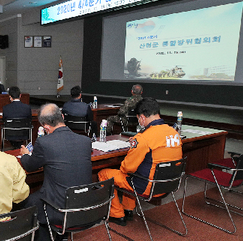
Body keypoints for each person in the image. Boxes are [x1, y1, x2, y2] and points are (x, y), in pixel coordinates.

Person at [98, 97, 183, 226]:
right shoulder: (174, 133)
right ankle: (128, 209)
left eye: (138, 119)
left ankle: (117, 214)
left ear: (142, 117)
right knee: (135, 173)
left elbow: (126, 168)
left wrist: (136, 146)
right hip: (168, 185)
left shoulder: (144, 138)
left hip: (148, 188)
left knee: (105, 174)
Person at [19, 103, 92, 241]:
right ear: (62, 117)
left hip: (59, 209)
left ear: (45, 127)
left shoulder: (45, 143)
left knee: (24, 203)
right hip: (87, 207)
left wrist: (25, 155)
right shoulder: (85, 141)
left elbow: (29, 166)